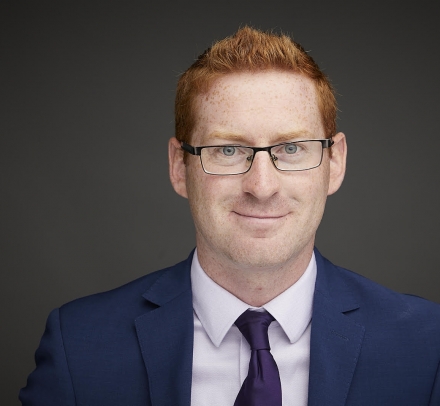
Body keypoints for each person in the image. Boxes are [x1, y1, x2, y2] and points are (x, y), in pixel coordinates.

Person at [20, 26, 440, 406]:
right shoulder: (79, 345)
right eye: (227, 150)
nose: (262, 186)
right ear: (177, 166)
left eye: (291, 149)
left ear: (336, 162)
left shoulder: (427, 345)